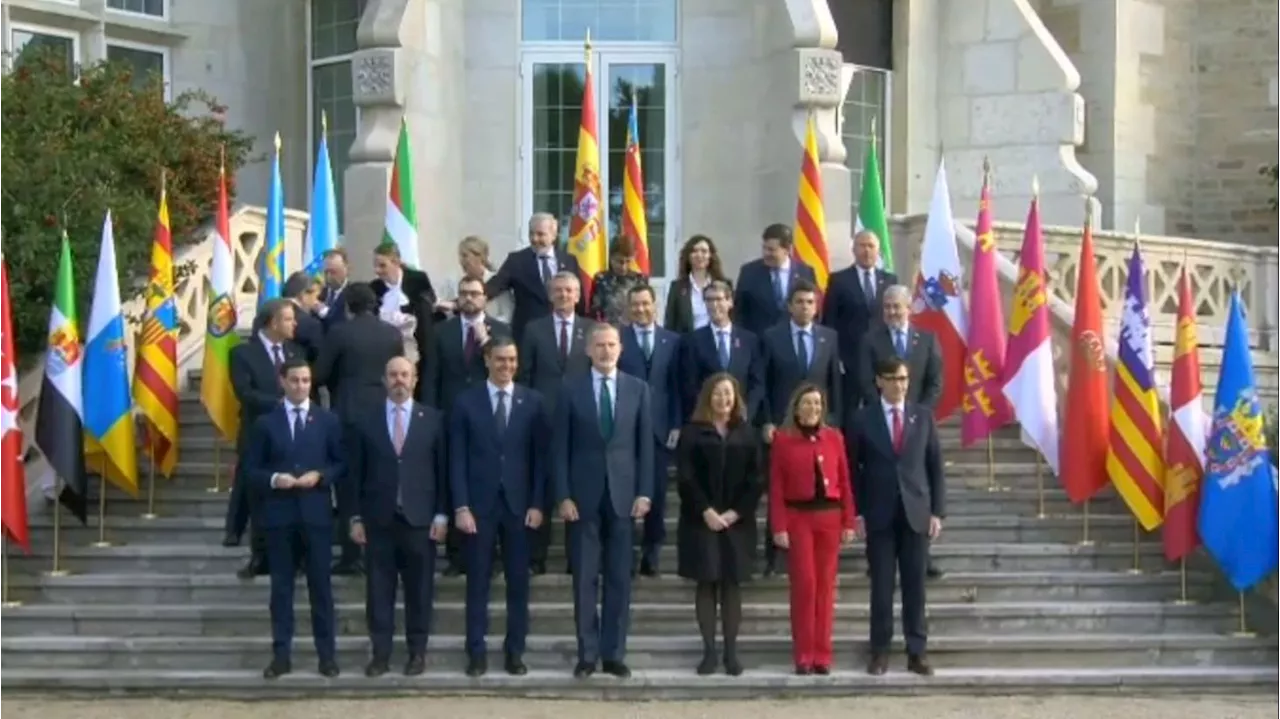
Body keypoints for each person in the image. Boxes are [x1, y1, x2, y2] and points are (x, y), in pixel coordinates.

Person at [553, 323, 654, 678]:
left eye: (612, 345)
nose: (606, 351)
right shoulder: (570, 389)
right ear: (588, 350)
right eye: (600, 345)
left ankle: (613, 654)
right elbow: (559, 448)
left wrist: (645, 491)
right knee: (584, 580)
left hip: (624, 498)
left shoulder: (638, 389)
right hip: (582, 499)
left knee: (619, 579)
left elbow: (645, 447)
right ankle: (587, 653)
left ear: (621, 349)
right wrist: (563, 495)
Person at [449, 336, 549, 677]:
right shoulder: (466, 402)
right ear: (487, 361)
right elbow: (457, 459)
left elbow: (540, 460)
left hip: (520, 507)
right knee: (477, 581)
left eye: (512, 360)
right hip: (479, 507)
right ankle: (476, 651)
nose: (506, 366)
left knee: (518, 583)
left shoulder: (533, 401)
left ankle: (514, 651)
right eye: (500, 360)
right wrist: (461, 506)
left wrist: (538, 503)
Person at [343, 356, 448, 678]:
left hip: (420, 520)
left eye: (405, 374)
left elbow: (442, 472)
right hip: (379, 520)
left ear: (415, 379)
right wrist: (354, 517)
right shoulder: (366, 420)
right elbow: (353, 476)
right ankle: (381, 654)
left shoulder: (433, 419)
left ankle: (417, 652)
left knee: (420, 592)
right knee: (378, 591)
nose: (399, 380)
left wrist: (442, 515)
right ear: (384, 380)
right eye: (393, 375)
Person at [242, 358, 346, 679]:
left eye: (306, 380)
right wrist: (274, 479)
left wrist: (322, 476)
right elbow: (250, 471)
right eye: (295, 380)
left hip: (315, 516)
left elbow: (341, 463)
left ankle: (326, 656)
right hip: (280, 517)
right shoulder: (265, 423)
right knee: (282, 591)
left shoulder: (327, 420)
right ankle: (281, 655)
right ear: (282, 382)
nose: (301, 386)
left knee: (321, 589)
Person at [848, 356, 945, 677]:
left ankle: (917, 651)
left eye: (903, 378)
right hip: (879, 514)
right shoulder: (863, 419)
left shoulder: (923, 417)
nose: (899, 385)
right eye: (892, 379)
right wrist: (857, 512)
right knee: (881, 587)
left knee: (916, 586)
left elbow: (935, 468)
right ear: (879, 382)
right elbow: (852, 471)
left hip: (916, 512)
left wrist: (937, 512)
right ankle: (880, 651)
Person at [313, 283, 405, 575]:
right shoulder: (391, 333)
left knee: (349, 484)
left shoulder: (340, 332)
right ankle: (384, 549)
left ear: (349, 307)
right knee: (381, 480)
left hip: (349, 414)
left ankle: (352, 554)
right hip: (384, 413)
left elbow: (321, 373)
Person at [676, 373, 762, 676]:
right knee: (707, 582)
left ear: (736, 398)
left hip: (737, 522)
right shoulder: (692, 432)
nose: (723, 400)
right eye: (717, 394)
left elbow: (756, 479)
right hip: (700, 521)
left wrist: (736, 512)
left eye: (728, 394)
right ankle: (709, 652)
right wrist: (706, 511)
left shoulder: (747, 433)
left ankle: (731, 653)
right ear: (707, 397)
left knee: (730, 584)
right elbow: (685, 478)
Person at [856, 284, 945, 579]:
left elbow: (934, 382)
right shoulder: (871, 340)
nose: (893, 312)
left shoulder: (928, 340)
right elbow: (866, 381)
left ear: (910, 308)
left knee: (917, 484)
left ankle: (924, 556)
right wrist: (883, 410)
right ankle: (878, 560)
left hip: (917, 427)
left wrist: (920, 415)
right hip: (883, 425)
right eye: (888, 307)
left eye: (898, 306)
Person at [769, 383, 856, 675]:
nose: (813, 409)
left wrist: (848, 520)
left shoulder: (834, 438)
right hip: (798, 519)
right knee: (805, 586)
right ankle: (804, 654)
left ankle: (822, 655)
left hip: (829, 518)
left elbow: (844, 481)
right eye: (807, 403)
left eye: (818, 404)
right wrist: (779, 526)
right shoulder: (783, 440)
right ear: (796, 408)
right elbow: (777, 487)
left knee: (825, 588)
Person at [760, 280, 842, 575]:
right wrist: (767, 420)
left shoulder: (828, 337)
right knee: (781, 488)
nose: (805, 307)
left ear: (817, 306)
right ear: (789, 306)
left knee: (816, 485)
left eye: (810, 302)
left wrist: (834, 422)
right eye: (800, 302)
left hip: (819, 425)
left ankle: (817, 550)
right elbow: (763, 382)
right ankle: (774, 556)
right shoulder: (771, 337)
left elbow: (834, 382)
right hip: (784, 426)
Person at [517, 270, 595, 574]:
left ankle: (576, 559)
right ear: (550, 295)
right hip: (542, 419)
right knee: (542, 488)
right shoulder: (534, 330)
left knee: (576, 490)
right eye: (558, 290)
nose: (564, 295)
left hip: (580, 421)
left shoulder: (591, 329)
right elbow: (525, 374)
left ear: (578, 296)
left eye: (569, 291)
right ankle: (537, 558)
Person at [224, 299, 302, 579]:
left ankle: (295, 556)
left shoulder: (295, 351)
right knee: (258, 497)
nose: (295, 324)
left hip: (293, 434)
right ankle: (260, 556)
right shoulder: (242, 354)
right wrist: (282, 403)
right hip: (257, 433)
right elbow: (246, 393)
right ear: (273, 322)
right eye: (289, 319)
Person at [617, 284, 682, 576]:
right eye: (635, 305)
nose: (641, 310)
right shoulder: (617, 339)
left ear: (655, 305)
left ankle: (652, 549)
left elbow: (679, 386)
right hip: (624, 428)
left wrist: (677, 423)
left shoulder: (673, 341)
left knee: (655, 490)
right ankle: (627, 550)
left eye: (645, 304)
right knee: (626, 490)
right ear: (628, 309)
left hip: (659, 428)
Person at [822, 229, 898, 408]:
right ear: (853, 249)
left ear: (878, 250)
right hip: (850, 359)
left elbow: (895, 319)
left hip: (882, 358)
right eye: (862, 246)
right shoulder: (839, 280)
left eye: (871, 246)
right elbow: (829, 320)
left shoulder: (889, 280)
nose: (867, 250)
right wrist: (836, 357)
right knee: (851, 410)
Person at [486, 212, 584, 342]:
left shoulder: (569, 260)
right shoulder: (517, 260)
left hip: (563, 333)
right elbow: (494, 286)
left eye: (540, 234)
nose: (535, 239)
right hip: (527, 333)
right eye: (531, 234)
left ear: (553, 235)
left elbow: (580, 299)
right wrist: (461, 301)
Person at [680, 280, 764, 423]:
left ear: (730, 302)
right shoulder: (692, 341)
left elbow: (757, 382)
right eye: (709, 300)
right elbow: (689, 384)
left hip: (741, 422)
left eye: (719, 299)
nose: (714, 305)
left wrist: (746, 413)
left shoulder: (749, 340)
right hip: (707, 422)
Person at [733, 224, 816, 338]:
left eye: (772, 250)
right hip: (759, 343)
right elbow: (739, 312)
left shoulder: (805, 272)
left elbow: (813, 309)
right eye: (765, 248)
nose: (766, 253)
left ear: (787, 250)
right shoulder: (749, 272)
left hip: (794, 343)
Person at [371, 242, 439, 369]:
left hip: (415, 347)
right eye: (375, 266)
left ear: (396, 262)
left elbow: (429, 305)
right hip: (386, 349)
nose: (377, 270)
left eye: (382, 265)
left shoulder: (418, 279)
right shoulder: (375, 288)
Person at [436, 235, 513, 322]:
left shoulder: (498, 281)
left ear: (479, 257)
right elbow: (446, 310)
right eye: (460, 256)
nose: (461, 260)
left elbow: (507, 315)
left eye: (465, 256)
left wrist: (484, 324)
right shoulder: (452, 282)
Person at [664, 234, 730, 335]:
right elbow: (670, 324)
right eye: (694, 251)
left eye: (704, 251)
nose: (699, 255)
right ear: (688, 256)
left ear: (711, 256)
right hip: (688, 345)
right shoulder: (677, 287)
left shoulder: (724, 284)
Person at [588, 235, 647, 326]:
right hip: (607, 330)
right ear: (611, 258)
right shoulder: (601, 279)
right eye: (619, 261)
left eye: (628, 261)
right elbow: (594, 312)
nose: (623, 267)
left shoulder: (640, 280)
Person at [282, 271, 325, 365]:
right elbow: (318, 358)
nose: (316, 302)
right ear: (303, 295)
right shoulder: (311, 324)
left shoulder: (265, 314)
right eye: (316, 297)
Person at [317, 248, 350, 331]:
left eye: (333, 272)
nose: (329, 277)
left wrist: (325, 312)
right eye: (326, 272)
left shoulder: (353, 294)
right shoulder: (318, 294)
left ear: (346, 269)